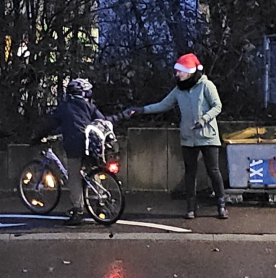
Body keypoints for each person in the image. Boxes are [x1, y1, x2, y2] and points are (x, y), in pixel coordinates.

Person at [129, 53, 228, 220]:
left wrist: (204, 119)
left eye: (179, 71)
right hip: (188, 137)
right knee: (190, 173)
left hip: (208, 136)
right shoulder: (179, 90)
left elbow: (217, 106)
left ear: (188, 72)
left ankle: (221, 204)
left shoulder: (206, 85)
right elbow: (163, 105)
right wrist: (141, 110)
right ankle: (190, 208)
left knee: (213, 171)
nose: (177, 74)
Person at [31, 78, 130, 226]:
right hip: (92, 145)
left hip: (74, 146)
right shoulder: (89, 106)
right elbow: (102, 120)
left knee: (74, 177)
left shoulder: (63, 108)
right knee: (92, 170)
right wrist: (123, 115)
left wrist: (36, 137)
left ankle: (78, 210)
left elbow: (49, 125)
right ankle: (100, 199)